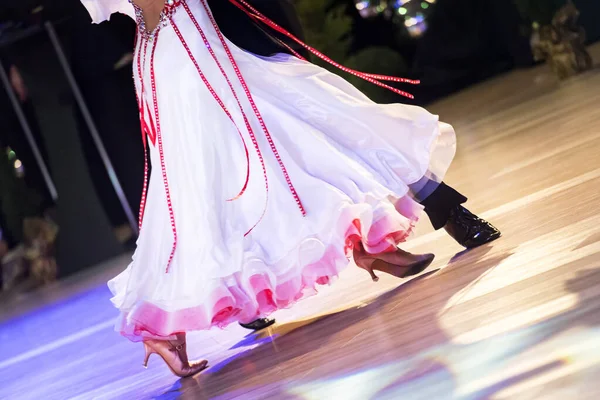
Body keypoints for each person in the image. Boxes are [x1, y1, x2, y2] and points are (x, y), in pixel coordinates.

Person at [80, 0, 491, 378]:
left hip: (170, 52)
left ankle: (374, 237)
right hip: (194, 48)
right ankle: (391, 232)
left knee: (214, 178)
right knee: (315, 122)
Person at [207, 0, 501, 332]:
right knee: (247, 183)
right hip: (207, 62)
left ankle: (444, 212)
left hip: (251, 39)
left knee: (353, 125)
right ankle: (246, 294)